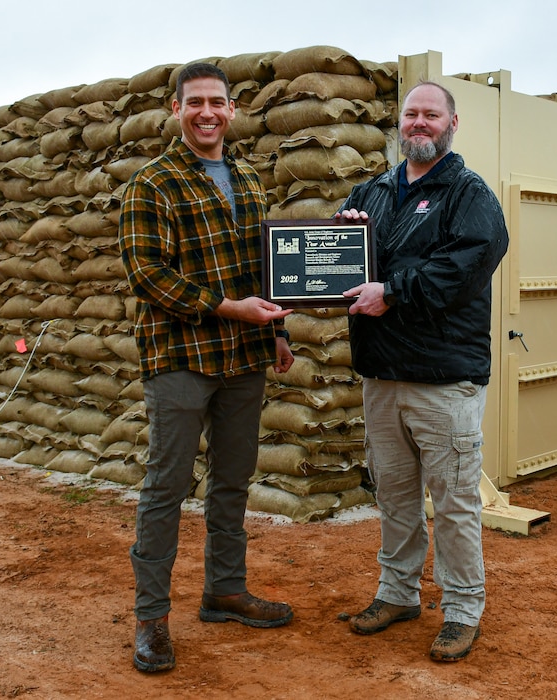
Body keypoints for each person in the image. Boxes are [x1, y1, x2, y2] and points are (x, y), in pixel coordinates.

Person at [118, 61, 295, 674]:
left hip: (244, 357)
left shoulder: (247, 180)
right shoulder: (152, 184)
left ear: (233, 109)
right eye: (195, 102)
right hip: (180, 359)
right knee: (166, 486)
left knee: (232, 479)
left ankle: (225, 590)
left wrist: (275, 329)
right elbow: (148, 275)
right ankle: (151, 619)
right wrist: (230, 311)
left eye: (217, 102)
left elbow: (263, 269)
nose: (207, 113)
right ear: (176, 110)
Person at [337, 81, 509, 662]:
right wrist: (346, 239)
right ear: (399, 123)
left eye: (430, 115)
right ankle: (397, 593)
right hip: (382, 378)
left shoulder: (469, 195)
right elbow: (341, 268)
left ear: (452, 123)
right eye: (411, 114)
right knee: (395, 496)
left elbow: (458, 271)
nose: (419, 123)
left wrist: (392, 290)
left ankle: (462, 609)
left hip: (443, 382)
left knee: (456, 502)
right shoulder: (373, 191)